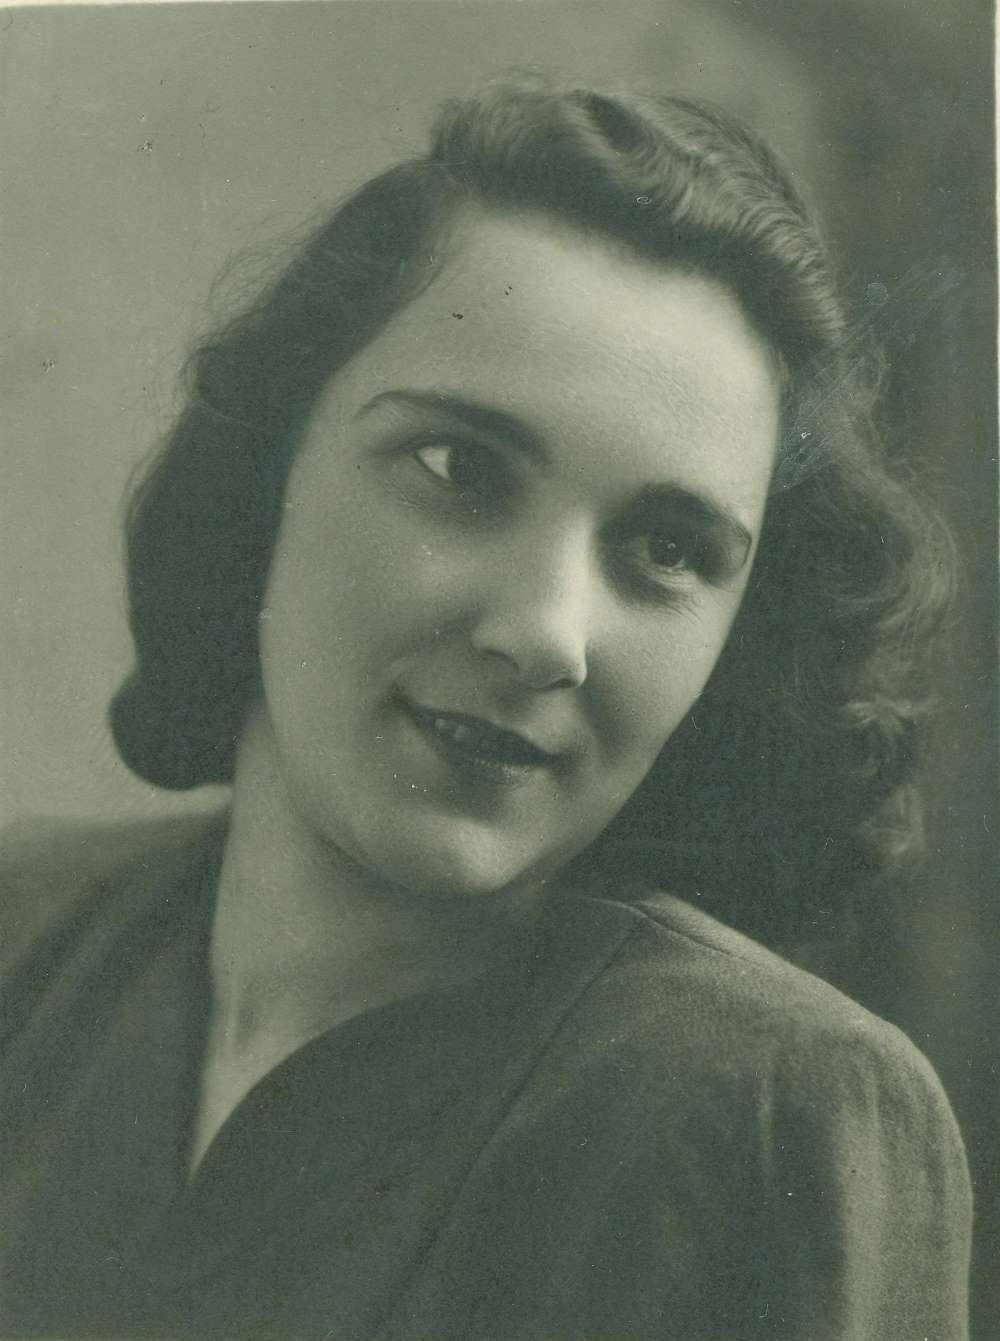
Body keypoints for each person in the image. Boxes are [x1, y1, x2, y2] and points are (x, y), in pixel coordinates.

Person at [2, 77, 972, 1339]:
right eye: (459, 469)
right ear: (268, 468)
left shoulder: (768, 1107)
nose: (545, 635)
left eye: (666, 550)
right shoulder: (30, 936)